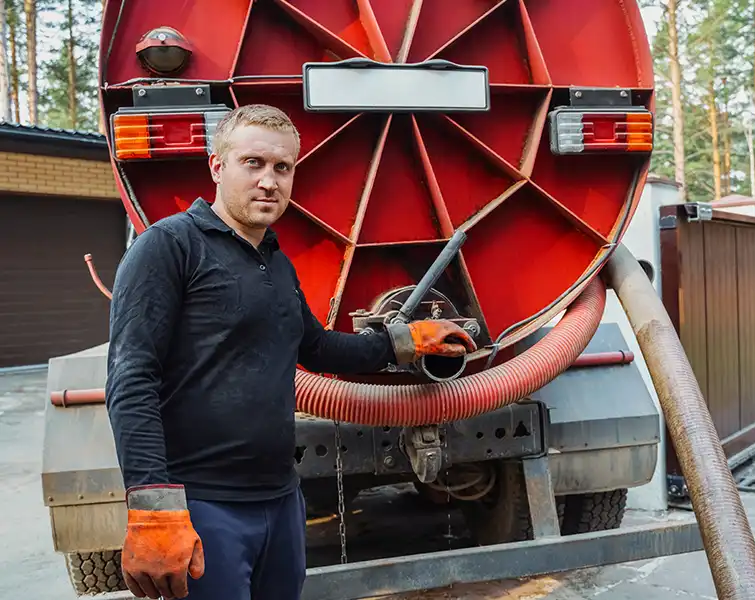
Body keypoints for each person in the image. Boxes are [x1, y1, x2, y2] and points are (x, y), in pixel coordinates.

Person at [104, 103, 477, 600]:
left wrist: (405, 341)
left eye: (283, 168)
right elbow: (131, 380)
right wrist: (153, 510)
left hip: (279, 500)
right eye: (252, 163)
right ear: (217, 166)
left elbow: (318, 349)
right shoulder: (168, 247)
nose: (269, 181)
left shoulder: (274, 262)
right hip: (203, 507)